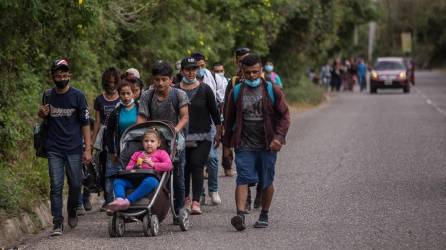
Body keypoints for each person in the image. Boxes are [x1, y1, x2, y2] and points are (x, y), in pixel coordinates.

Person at [223, 54, 290, 231]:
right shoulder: (236, 91)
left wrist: (278, 138)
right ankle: (240, 215)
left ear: (261, 71)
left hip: (267, 145)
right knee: (243, 178)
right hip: (244, 144)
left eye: (255, 72)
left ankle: (264, 214)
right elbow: (228, 121)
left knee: (267, 181)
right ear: (242, 72)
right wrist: (227, 147)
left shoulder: (272, 90)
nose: (252, 76)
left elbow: (285, 116)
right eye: (248, 73)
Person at [37, 59, 92, 236]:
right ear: (53, 76)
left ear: (69, 76)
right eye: (58, 75)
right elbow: (43, 116)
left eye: (64, 75)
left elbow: (85, 124)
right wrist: (41, 114)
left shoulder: (78, 96)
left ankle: (73, 209)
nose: (61, 78)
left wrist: (88, 148)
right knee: (56, 185)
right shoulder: (48, 95)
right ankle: (57, 223)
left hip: (74, 147)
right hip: (54, 148)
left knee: (76, 184)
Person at [137, 61, 189, 221]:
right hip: (153, 138)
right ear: (153, 80)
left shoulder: (179, 94)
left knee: (178, 176)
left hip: (174, 138)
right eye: (157, 79)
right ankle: (154, 206)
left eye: (164, 79)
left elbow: (185, 116)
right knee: (152, 173)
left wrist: (176, 130)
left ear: (170, 79)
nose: (160, 83)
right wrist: (140, 132)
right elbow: (142, 117)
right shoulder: (147, 95)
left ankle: (179, 209)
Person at [177, 56, 222, 214]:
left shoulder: (205, 89)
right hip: (181, 138)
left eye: (193, 69)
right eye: (188, 69)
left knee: (196, 165)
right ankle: (186, 199)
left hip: (202, 136)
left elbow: (215, 113)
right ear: (182, 71)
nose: (190, 72)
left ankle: (196, 201)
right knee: (183, 168)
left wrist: (218, 132)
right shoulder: (176, 90)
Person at [191, 52, 226, 206]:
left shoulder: (214, 78)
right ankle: (200, 194)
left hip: (209, 124)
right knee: (195, 161)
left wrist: (220, 126)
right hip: (190, 126)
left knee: (211, 158)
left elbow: (221, 100)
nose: (199, 69)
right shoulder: (184, 81)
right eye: (196, 67)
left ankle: (213, 189)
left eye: (202, 66)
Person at [107, 129, 172, 211]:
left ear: (158, 143)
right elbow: (128, 168)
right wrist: (135, 166)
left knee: (150, 181)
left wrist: (153, 164)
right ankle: (119, 199)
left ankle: (128, 201)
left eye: (152, 141)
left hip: (151, 179)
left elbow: (169, 166)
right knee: (118, 181)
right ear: (142, 143)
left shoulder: (161, 153)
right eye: (146, 141)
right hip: (134, 179)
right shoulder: (137, 154)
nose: (149, 143)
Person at [104, 80, 139, 213]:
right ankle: (118, 203)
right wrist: (112, 151)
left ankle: (136, 201)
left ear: (133, 94)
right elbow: (108, 133)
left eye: (128, 93)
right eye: (122, 94)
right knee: (120, 176)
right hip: (122, 150)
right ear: (119, 95)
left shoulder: (140, 108)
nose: (126, 96)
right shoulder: (116, 112)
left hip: (140, 149)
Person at [222, 47, 250, 178]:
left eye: (246, 60)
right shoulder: (234, 81)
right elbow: (227, 103)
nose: (243, 64)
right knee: (227, 143)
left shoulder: (260, 78)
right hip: (235, 119)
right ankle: (227, 166)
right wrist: (224, 122)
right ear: (236, 62)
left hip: (251, 119)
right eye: (240, 61)